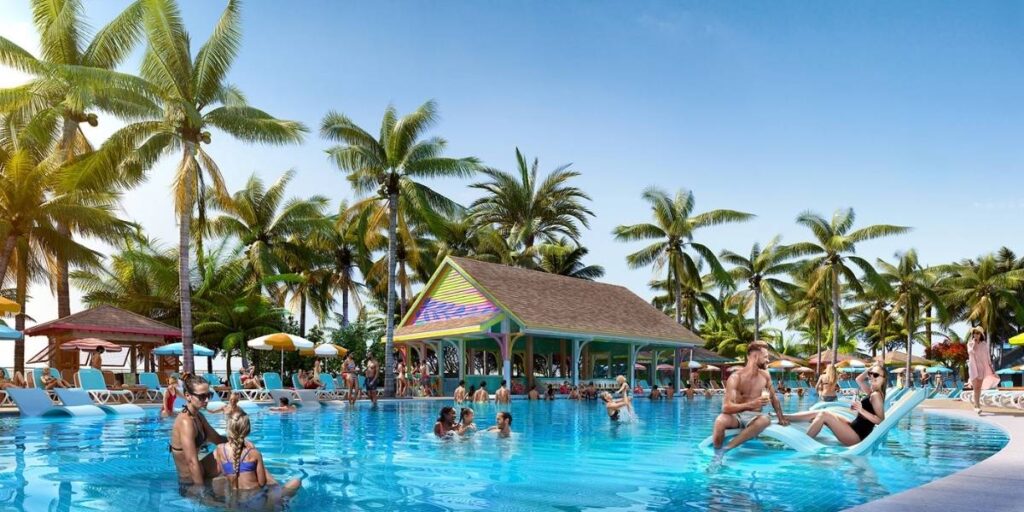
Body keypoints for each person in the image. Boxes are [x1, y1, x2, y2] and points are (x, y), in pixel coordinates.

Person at [710, 341, 789, 456]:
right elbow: (726, 408)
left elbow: (774, 398)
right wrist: (751, 404)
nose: (768, 360)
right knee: (720, 421)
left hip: (754, 417)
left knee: (765, 420)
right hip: (736, 416)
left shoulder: (765, 376)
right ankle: (716, 455)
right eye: (765, 357)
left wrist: (780, 418)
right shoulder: (736, 377)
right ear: (755, 356)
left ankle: (726, 448)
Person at [787, 364, 888, 446]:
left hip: (856, 436)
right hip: (854, 427)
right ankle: (786, 417)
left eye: (876, 375)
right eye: (871, 374)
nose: (872, 376)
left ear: (883, 379)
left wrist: (861, 410)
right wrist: (872, 368)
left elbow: (881, 420)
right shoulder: (872, 392)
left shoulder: (876, 395)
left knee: (823, 415)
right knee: (821, 412)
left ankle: (803, 443)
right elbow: (859, 379)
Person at [213, 412, 301, 502]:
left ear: (228, 429)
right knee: (296, 482)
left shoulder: (219, 449)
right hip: (255, 499)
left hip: (235, 500)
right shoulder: (254, 453)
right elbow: (262, 483)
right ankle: (282, 503)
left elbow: (224, 473)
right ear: (248, 430)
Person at [170, 373, 228, 487]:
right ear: (188, 396)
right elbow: (191, 462)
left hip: (202, 471)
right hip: (190, 483)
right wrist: (201, 491)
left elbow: (218, 439)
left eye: (209, 395)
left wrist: (241, 442)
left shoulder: (198, 416)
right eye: (202, 396)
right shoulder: (186, 422)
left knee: (229, 451)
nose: (206, 400)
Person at [967, 326, 1000, 414]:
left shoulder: (984, 344)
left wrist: (992, 368)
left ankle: (977, 405)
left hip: (981, 368)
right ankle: (976, 406)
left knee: (979, 388)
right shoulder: (970, 343)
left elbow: (988, 357)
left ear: (981, 334)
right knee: (975, 388)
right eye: (974, 333)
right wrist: (974, 343)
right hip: (973, 367)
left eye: (978, 333)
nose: (975, 335)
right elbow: (970, 352)